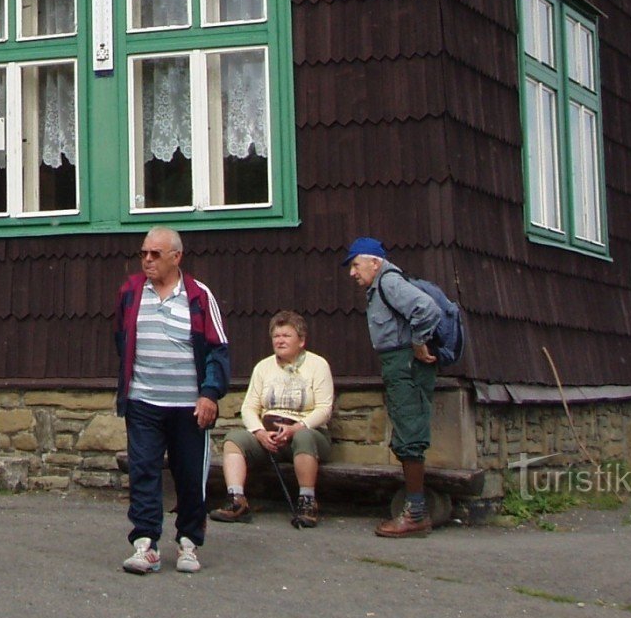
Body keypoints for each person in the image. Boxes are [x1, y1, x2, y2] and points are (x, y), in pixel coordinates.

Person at [113, 227, 229, 575]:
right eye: (144, 253)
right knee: (144, 470)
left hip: (189, 407)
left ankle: (189, 542)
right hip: (143, 401)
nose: (147, 260)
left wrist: (209, 394)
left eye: (155, 254)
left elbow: (218, 349)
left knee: (190, 476)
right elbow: (122, 339)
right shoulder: (130, 293)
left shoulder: (198, 295)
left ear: (176, 257)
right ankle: (145, 544)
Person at [343, 236, 442, 538]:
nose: (352, 273)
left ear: (375, 262)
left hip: (405, 366)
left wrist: (418, 342)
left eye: (356, 265)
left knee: (410, 435)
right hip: (398, 365)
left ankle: (415, 514)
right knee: (406, 432)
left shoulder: (389, 283)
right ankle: (415, 510)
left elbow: (428, 309)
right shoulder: (381, 286)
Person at [211, 309, 334, 527]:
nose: (280, 340)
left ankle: (307, 502)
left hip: (308, 435)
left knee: (304, 437)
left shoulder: (318, 365)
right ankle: (236, 500)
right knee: (234, 439)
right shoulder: (263, 367)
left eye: (286, 335)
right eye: (276, 336)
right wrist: (259, 432)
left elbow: (324, 409)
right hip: (269, 436)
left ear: (301, 341)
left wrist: (296, 428)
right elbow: (249, 407)